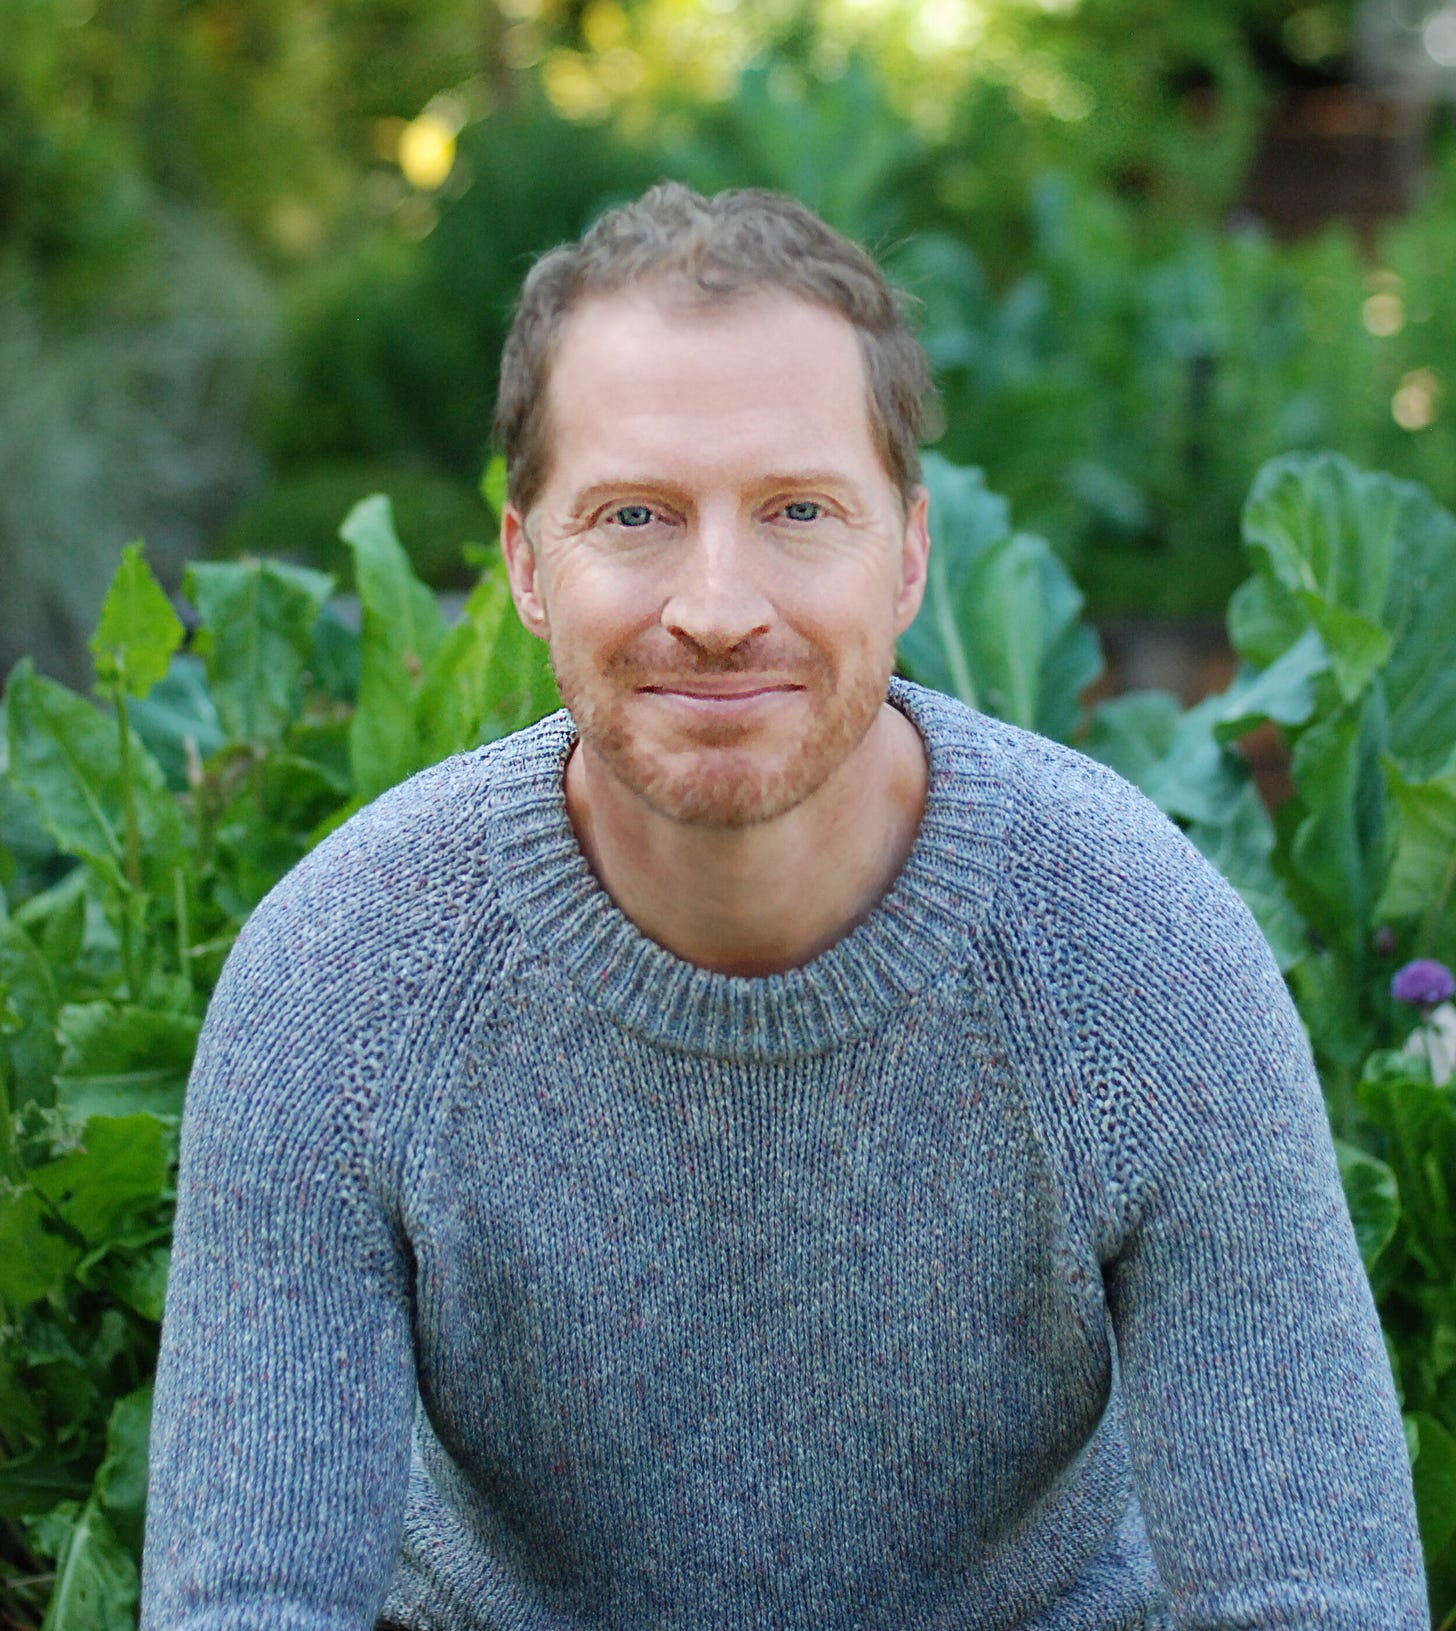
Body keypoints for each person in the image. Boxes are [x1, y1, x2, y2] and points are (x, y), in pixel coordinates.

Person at [141, 183, 1428, 1631]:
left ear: (910, 553)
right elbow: (249, 1604)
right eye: (634, 515)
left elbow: (1311, 1599)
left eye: (798, 511)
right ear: (522, 568)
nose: (716, 603)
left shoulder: (1142, 964)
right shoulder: (344, 981)